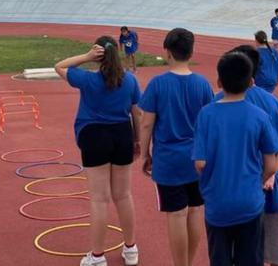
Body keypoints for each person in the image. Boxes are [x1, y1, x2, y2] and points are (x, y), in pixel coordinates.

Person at [55, 37, 142, 266]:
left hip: (94, 136)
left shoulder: (88, 79)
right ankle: (131, 249)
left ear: (98, 54)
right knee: (123, 195)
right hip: (122, 135)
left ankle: (97, 256)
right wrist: (138, 141)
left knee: (99, 199)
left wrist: (85, 56)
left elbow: (60, 66)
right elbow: (137, 114)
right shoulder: (131, 81)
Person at [193, 52, 278, 266]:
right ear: (251, 82)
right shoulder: (260, 116)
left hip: (217, 204)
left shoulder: (206, 115)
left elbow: (200, 163)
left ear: (219, 82)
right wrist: (257, 181)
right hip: (250, 202)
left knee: (220, 259)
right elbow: (271, 163)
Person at [138, 28, 214, 266]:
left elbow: (146, 122)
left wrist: (144, 154)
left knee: (177, 214)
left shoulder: (158, 84)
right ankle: (189, 263)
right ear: (191, 52)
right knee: (195, 211)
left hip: (169, 160)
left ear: (167, 53)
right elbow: (209, 122)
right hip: (197, 158)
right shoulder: (202, 84)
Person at [226, 45, 278, 266]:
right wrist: (273, 168)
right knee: (274, 241)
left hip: (235, 184)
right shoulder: (272, 101)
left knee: (238, 243)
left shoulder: (221, 101)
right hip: (268, 183)